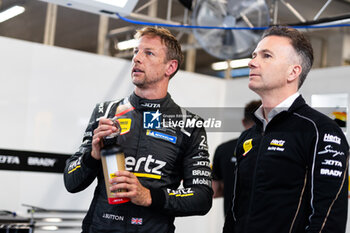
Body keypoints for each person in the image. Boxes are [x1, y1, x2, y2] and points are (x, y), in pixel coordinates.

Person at [64, 27, 213, 233]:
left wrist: (149, 196)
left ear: (170, 67)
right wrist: (92, 156)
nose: (136, 59)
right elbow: (71, 182)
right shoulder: (105, 111)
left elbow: (202, 197)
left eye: (148, 53)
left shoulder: (189, 124)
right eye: (136, 52)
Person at [223, 26, 349, 233]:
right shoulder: (248, 136)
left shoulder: (321, 131)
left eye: (266, 56)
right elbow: (235, 212)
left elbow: (327, 219)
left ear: (293, 71)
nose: (252, 62)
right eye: (254, 55)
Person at [212, 100, 261, 215]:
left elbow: (214, 190)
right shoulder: (276, 148)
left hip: (233, 222)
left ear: (244, 122)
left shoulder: (223, 149)